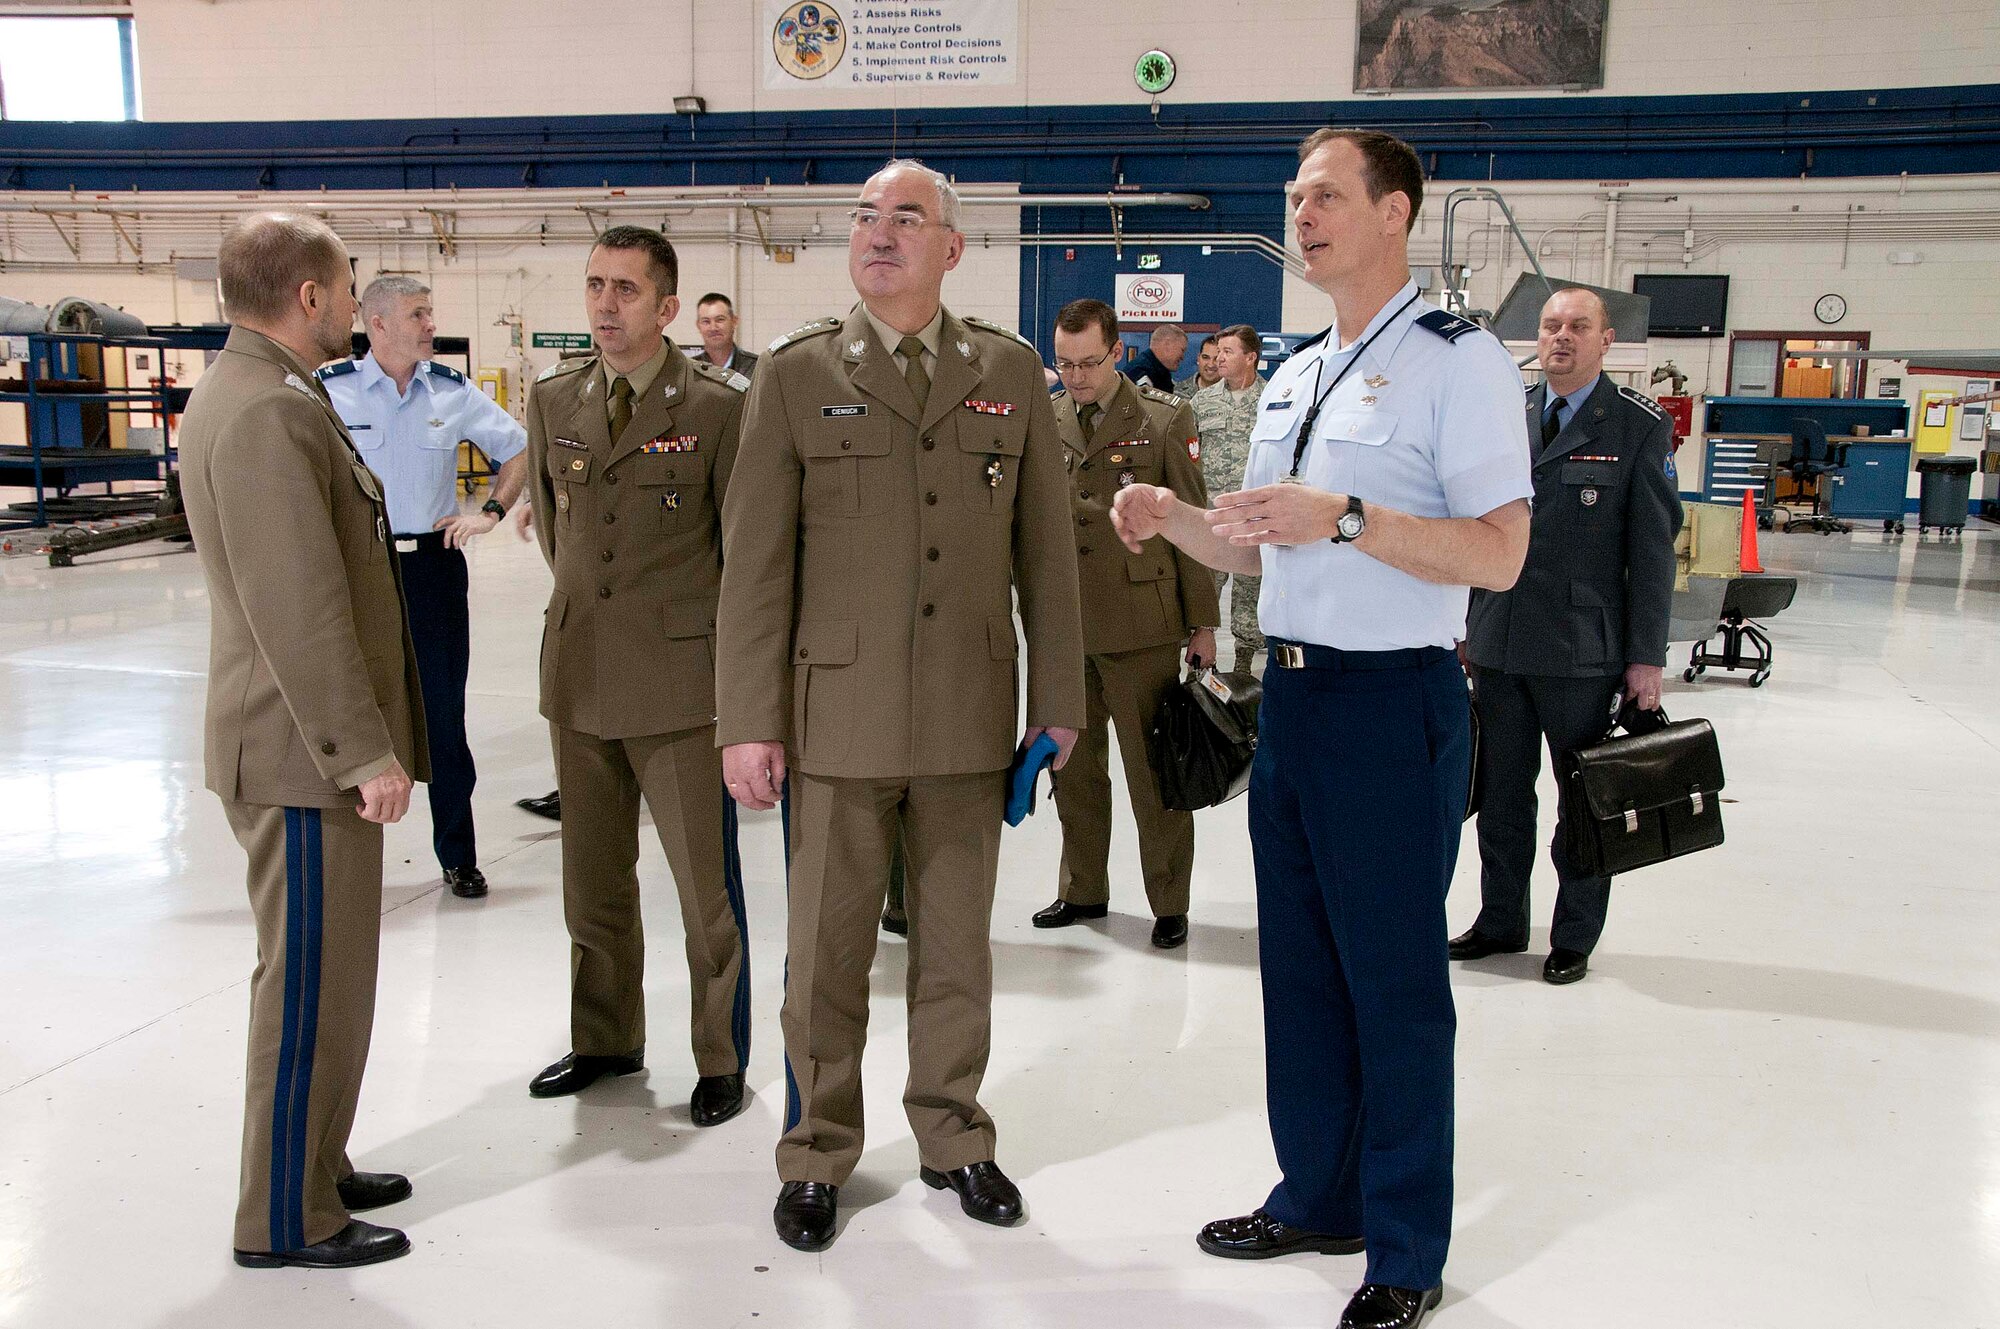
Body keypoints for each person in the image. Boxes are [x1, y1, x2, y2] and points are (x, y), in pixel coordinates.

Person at [1111, 129, 1531, 1329]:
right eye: (1294, 196)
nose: (1300, 214)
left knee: (1392, 984)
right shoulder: (1297, 371)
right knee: (1298, 970)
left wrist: (1345, 517)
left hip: (1390, 701)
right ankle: (1318, 1193)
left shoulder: (1458, 365)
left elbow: (1498, 552)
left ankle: (1402, 1244)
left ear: (1393, 212)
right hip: (1288, 699)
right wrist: (1172, 518)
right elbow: (1256, 542)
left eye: (1325, 195)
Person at [716, 158, 1085, 1254]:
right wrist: (745, 716)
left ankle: (952, 1137)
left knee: (954, 950)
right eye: (865, 218)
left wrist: (1055, 700)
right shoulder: (793, 376)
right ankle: (817, 1151)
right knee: (825, 954)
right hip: (834, 718)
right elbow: (753, 566)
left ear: (952, 248)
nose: (878, 234)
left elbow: (1046, 560)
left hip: (969, 718)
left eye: (905, 218)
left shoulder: (1010, 374)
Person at [179, 213, 430, 1270]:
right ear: (315, 297)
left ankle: (314, 1163)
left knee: (333, 983)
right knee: (306, 987)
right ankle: (285, 1218)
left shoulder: (265, 395)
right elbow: (300, 606)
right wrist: (359, 751)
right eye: (346, 282)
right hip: (297, 754)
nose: (351, 295)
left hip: (298, 751)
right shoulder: (268, 415)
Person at [518, 225, 753, 1130]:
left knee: (705, 891)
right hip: (579, 675)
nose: (605, 305)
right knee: (594, 881)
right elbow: (556, 531)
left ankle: (720, 1057)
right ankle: (608, 1037)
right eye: (593, 286)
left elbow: (743, 559)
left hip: (683, 686)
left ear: (666, 307)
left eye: (624, 290)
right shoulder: (555, 399)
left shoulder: (720, 407)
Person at [1450, 286, 1683, 986]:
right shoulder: (1508, 413)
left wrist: (1646, 657)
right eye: (1551, 325)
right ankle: (1500, 919)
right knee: (1500, 796)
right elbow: (1471, 523)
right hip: (1500, 641)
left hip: (1584, 651)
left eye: (1578, 326)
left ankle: (1574, 934)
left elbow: (1653, 553)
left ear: (1607, 340)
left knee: (1582, 797)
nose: (1561, 337)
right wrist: (1464, 622)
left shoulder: (1636, 426)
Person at [318, 277, 528, 900]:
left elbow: (517, 450)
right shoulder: (331, 390)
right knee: (355, 716)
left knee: (443, 718)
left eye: (431, 313)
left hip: (433, 572)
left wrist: (488, 513)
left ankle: (458, 856)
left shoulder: (450, 392)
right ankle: (349, 863)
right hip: (362, 571)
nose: (431, 324)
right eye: (418, 314)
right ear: (378, 323)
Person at [1033, 297, 1218, 950]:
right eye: (1063, 363)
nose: (1075, 375)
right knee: (1073, 772)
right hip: (1067, 627)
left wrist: (1203, 622)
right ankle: (1083, 888)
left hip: (1141, 624)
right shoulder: (1045, 416)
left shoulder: (1162, 420)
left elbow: (1193, 522)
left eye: (1087, 362)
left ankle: (1169, 900)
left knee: (1153, 775)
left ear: (1115, 351)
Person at [1190, 324, 1270, 671]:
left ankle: (1243, 667)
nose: (1219, 358)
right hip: (1212, 513)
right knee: (1206, 586)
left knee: (1250, 591)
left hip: (1255, 515)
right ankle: (1201, 663)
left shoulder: (1274, 400)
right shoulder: (1202, 401)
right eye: (1217, 351)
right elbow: (1188, 453)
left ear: (1250, 357)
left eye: (1228, 352)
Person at [691, 292, 760, 377]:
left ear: (734, 321)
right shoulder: (690, 370)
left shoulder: (756, 367)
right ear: (698, 326)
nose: (713, 328)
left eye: (720, 320)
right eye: (706, 321)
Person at [1122, 323, 1187, 393]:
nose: (1182, 357)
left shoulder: (1162, 374)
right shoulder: (1138, 372)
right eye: (1182, 350)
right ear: (1167, 344)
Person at [1173, 334, 1221, 398]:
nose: (1210, 364)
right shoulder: (1177, 391)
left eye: (1216, 359)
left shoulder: (1235, 393)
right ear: (1198, 358)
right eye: (1205, 357)